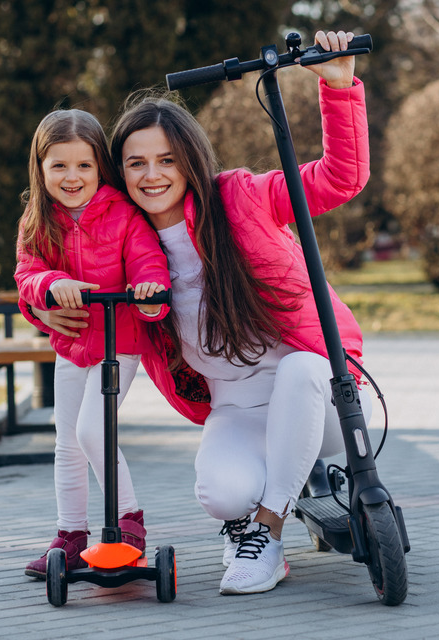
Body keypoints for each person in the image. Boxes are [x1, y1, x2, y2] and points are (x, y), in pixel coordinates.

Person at [35, 29, 373, 595]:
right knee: (220, 493)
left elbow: (341, 178)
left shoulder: (241, 197)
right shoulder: (130, 251)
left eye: (167, 159)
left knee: (302, 369)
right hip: (237, 409)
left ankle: (268, 530)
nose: (152, 175)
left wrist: (340, 89)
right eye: (135, 163)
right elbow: (71, 287)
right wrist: (48, 309)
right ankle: (253, 507)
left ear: (190, 159)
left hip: (325, 396)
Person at [14, 108, 171, 579]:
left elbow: (148, 263)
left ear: (100, 166)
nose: (71, 176)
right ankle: (70, 534)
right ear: (41, 169)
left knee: (91, 430)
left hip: (118, 341)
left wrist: (149, 295)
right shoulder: (38, 219)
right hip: (71, 343)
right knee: (66, 442)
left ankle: (129, 523)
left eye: (83, 165)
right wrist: (49, 284)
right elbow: (26, 273)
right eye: (58, 165)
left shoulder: (123, 214)